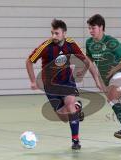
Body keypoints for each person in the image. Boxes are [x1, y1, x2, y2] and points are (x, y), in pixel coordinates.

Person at [26, 19, 102, 150]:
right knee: (63, 117)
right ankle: (78, 107)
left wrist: (97, 80)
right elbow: (29, 61)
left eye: (57, 33)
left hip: (67, 81)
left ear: (64, 33)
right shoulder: (45, 46)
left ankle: (75, 141)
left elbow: (87, 61)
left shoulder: (71, 44)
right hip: (50, 85)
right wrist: (33, 80)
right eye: (52, 33)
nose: (54, 36)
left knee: (70, 105)